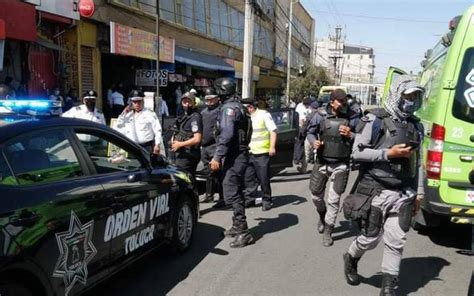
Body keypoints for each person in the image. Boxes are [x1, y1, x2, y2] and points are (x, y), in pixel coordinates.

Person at [342, 75, 425, 296]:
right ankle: (351, 258)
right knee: (370, 238)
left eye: (416, 96)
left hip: (403, 192)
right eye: (408, 96)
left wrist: (419, 194)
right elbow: (358, 151)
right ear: (397, 94)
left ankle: (388, 286)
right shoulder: (375, 119)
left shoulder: (416, 126)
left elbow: (419, 163)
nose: (411, 100)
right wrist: (389, 153)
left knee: (396, 240)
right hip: (376, 190)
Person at [307, 89, 361, 247]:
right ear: (332, 102)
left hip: (341, 164)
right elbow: (310, 133)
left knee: (334, 200)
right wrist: (313, 142)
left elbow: (364, 138)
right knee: (316, 195)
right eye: (340, 101)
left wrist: (351, 135)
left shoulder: (353, 117)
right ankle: (322, 215)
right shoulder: (320, 115)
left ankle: (328, 230)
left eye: (345, 102)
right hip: (322, 161)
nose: (343, 104)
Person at [209, 77, 254, 248]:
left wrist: (217, 157)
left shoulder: (229, 108)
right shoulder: (239, 106)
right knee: (235, 189)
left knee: (230, 192)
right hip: (239, 154)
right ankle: (237, 225)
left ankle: (244, 232)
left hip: (234, 155)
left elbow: (226, 135)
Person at [242, 97, 277, 211]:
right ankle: (249, 199)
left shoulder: (264, 114)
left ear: (251, 107)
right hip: (248, 152)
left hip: (261, 152)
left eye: (246, 107)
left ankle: (266, 200)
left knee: (263, 178)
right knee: (248, 178)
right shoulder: (245, 117)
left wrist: (272, 147)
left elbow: (273, 131)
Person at [116, 90, 163, 155]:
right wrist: (124, 112)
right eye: (135, 102)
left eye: (139, 101)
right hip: (131, 146)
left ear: (143, 101)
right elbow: (118, 125)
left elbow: (158, 130)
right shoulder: (127, 115)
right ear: (131, 103)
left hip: (146, 147)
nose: (137, 104)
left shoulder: (150, 113)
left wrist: (157, 144)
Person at [199, 87, 224, 207]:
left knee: (218, 171)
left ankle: (222, 197)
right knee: (208, 172)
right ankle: (209, 195)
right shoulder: (203, 112)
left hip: (216, 146)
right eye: (207, 99)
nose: (209, 101)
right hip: (205, 146)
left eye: (211, 99)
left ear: (217, 99)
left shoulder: (221, 111)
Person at [170, 91, 203, 180]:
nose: (187, 104)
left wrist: (179, 144)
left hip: (189, 154)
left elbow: (197, 139)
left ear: (193, 103)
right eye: (184, 101)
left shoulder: (195, 117)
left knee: (186, 180)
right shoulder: (184, 115)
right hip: (181, 153)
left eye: (189, 101)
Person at [294, 97, 311, 167]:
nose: (308, 106)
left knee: (302, 143)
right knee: (299, 143)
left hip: (306, 125)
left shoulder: (308, 107)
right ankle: (297, 158)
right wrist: (301, 129)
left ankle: (299, 157)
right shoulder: (300, 107)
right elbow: (300, 119)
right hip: (300, 126)